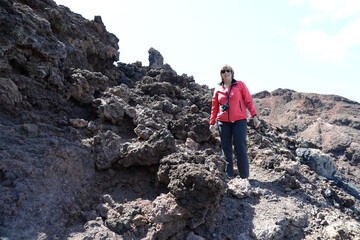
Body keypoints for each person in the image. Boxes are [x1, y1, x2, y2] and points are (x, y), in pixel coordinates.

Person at [209, 65, 260, 180]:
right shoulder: (217, 89)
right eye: (223, 71)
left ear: (232, 73)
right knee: (226, 148)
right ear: (221, 74)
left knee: (240, 146)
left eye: (228, 71)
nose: (226, 73)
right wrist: (212, 123)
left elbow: (248, 101)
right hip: (222, 121)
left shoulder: (240, 84)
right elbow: (214, 107)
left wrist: (254, 116)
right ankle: (229, 175)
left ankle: (244, 176)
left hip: (239, 120)